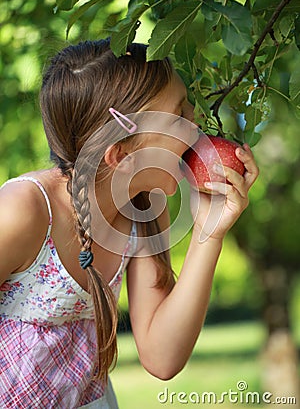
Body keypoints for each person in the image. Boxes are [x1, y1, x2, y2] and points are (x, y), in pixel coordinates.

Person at [0, 39, 259, 408]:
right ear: (121, 155)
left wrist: (208, 233)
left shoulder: (144, 210)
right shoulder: (23, 212)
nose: (196, 119)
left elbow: (161, 356)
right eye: (179, 114)